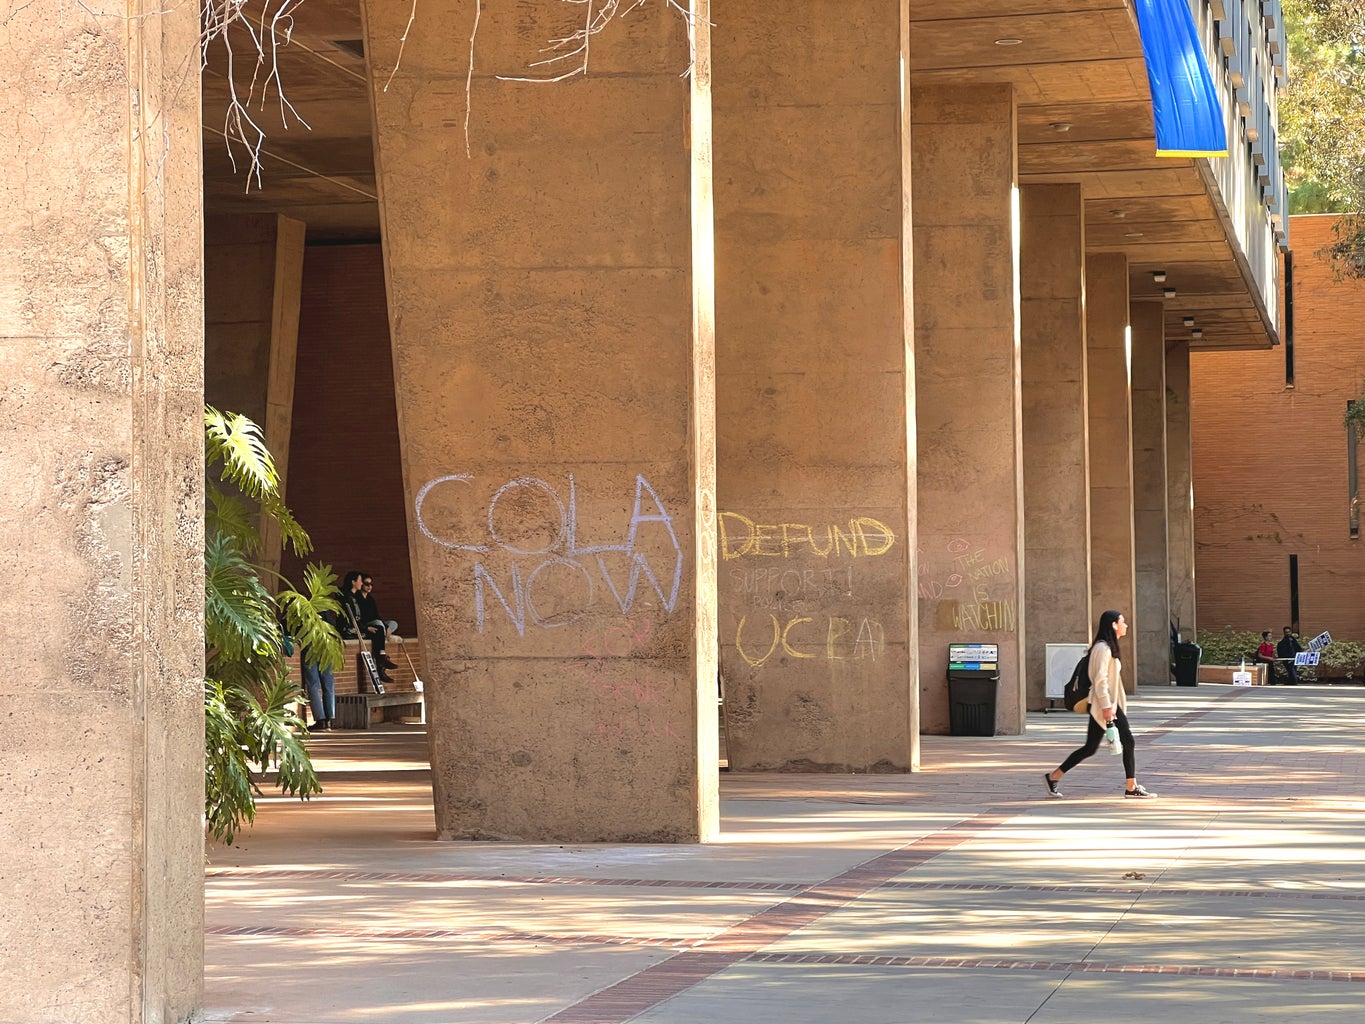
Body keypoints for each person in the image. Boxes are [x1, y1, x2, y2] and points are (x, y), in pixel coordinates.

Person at [1044, 610, 1156, 799]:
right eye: (1123, 621)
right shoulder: (1102, 649)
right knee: (1128, 740)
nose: (1126, 625)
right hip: (1105, 703)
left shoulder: (1107, 647)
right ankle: (1131, 787)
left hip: (1107, 703)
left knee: (1090, 747)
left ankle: (1053, 776)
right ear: (1113, 625)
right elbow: (1100, 680)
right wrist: (1106, 706)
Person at [338, 570, 393, 683]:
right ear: (353, 582)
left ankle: (381, 661)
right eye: (361, 581)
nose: (362, 584)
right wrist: (366, 628)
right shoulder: (349, 597)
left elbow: (373, 615)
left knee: (382, 628)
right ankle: (381, 661)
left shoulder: (359, 597)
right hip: (351, 629)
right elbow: (351, 618)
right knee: (378, 630)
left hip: (360, 626)